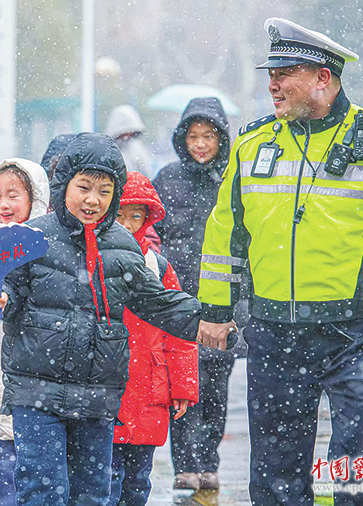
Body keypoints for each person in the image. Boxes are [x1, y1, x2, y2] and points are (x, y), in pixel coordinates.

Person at [197, 17, 363, 505]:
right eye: (271, 73)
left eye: (285, 73)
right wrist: (215, 310)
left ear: (323, 77)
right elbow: (225, 232)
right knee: (276, 473)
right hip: (273, 332)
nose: (273, 85)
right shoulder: (254, 141)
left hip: (356, 333)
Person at [0, 132, 201, 506]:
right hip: (37, 390)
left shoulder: (121, 243)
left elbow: (153, 300)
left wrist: (211, 318)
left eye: (104, 190)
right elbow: (11, 291)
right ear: (63, 185)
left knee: (93, 493)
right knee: (41, 489)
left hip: (98, 396)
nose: (92, 200)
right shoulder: (33, 237)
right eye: (84, 187)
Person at [152, 97, 240, 491]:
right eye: (193, 136)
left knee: (216, 391)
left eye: (208, 136)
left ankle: (209, 462)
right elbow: (150, 234)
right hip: (180, 305)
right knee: (183, 389)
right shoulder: (167, 179)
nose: (200, 144)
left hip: (224, 307)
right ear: (181, 139)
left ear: (222, 138)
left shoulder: (235, 179)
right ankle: (185, 466)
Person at [110, 171, 199, 506]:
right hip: (111, 385)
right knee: (105, 477)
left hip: (149, 385)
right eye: (121, 214)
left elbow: (180, 329)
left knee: (136, 480)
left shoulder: (158, 266)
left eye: (137, 216)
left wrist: (183, 387)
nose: (129, 223)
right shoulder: (94, 259)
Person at [0, 158, 50, 506]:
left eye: (14, 195)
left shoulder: (48, 246)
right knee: (0, 468)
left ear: (36, 199)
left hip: (40, 381)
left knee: (40, 473)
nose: (3, 203)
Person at [105, 105, 153, 175]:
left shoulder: (137, 150)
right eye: (124, 133)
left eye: (131, 133)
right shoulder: (107, 151)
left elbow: (146, 174)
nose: (127, 137)